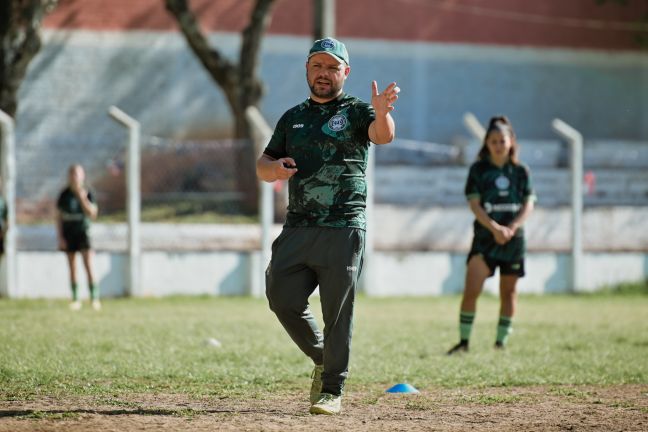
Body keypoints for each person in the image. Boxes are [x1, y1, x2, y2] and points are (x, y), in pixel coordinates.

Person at [256, 37, 399, 415]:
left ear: (345, 73)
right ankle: (324, 358)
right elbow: (263, 164)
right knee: (280, 296)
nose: (324, 73)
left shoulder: (355, 111)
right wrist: (275, 169)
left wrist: (381, 112)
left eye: (332, 67)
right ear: (307, 69)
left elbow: (381, 135)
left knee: (337, 311)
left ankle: (332, 388)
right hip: (298, 226)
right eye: (317, 66)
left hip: (343, 227)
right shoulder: (292, 117)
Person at [447, 116, 535, 355]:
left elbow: (529, 204)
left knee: (509, 292)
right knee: (471, 289)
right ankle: (463, 342)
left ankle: (500, 343)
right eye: (493, 141)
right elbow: (475, 205)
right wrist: (495, 228)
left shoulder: (521, 171)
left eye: (502, 140)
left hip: (513, 240)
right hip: (486, 238)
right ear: (486, 143)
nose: (498, 145)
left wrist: (512, 228)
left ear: (511, 141)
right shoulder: (478, 170)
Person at [56, 164, 100, 311]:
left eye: (77, 174)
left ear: (82, 176)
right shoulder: (64, 195)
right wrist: (60, 237)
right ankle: (75, 299)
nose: (74, 177)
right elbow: (58, 217)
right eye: (72, 174)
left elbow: (93, 214)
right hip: (69, 233)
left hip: (83, 232)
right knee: (72, 266)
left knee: (88, 265)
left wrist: (82, 199)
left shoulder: (88, 193)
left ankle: (94, 298)